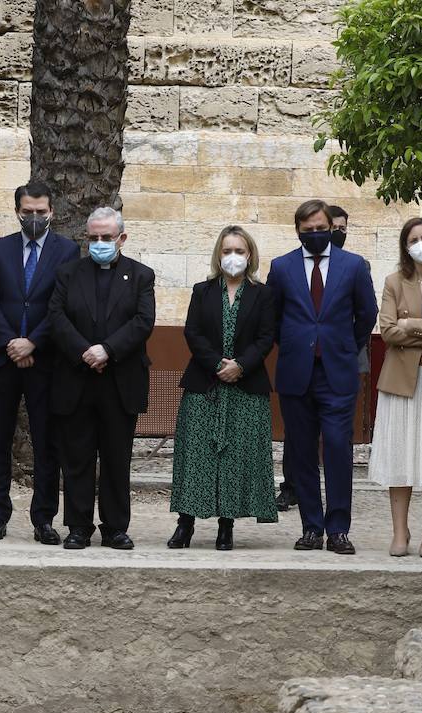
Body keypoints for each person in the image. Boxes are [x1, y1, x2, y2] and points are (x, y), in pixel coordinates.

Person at [267, 198, 378, 554]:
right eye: (308, 230)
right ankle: (311, 528)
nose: (315, 234)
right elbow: (273, 319)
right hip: (296, 373)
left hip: (338, 374)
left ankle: (339, 529)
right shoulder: (281, 267)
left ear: (332, 228)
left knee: (336, 448)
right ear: (298, 230)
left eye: (321, 228)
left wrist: (344, 345)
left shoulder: (354, 265)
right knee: (301, 452)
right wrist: (296, 345)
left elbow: (367, 313)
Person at [0, 179, 79, 544]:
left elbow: (61, 305)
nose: (34, 217)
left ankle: (43, 519)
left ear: (51, 211)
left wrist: (32, 343)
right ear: (17, 211)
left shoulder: (67, 251)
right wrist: (10, 344)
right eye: (27, 212)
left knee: (46, 441)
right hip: (1, 358)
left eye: (41, 212)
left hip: (45, 360)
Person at [48, 207, 155, 550]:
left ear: (121, 238)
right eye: (93, 237)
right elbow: (56, 316)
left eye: (106, 237)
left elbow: (142, 322)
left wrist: (107, 350)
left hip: (119, 380)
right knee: (77, 457)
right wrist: (85, 351)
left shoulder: (141, 275)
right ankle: (78, 526)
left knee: (116, 458)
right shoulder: (68, 273)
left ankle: (115, 528)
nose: (98, 243)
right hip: (77, 378)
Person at [168, 226, 277, 552]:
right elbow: (193, 333)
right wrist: (218, 364)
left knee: (235, 458)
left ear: (250, 255)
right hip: (206, 386)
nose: (233, 257)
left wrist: (240, 365)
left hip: (246, 388)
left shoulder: (263, 294)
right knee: (196, 455)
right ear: (219, 254)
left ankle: (226, 526)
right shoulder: (202, 291)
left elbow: (266, 337)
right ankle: (184, 523)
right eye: (227, 251)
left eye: (240, 251)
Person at [369, 217, 422, 558]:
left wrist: (413, 324)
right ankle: (399, 530)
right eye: (414, 238)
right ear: (405, 246)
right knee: (400, 454)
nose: (421, 243)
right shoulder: (393, 281)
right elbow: (388, 331)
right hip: (400, 380)